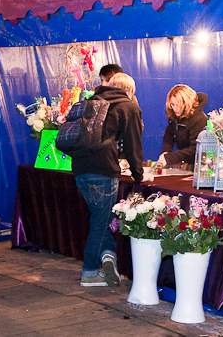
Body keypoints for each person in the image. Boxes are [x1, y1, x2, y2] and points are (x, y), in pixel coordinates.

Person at [71, 72, 149, 287]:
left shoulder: (91, 101)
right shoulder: (128, 107)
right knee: (100, 221)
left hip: (79, 169)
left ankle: (108, 256)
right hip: (103, 171)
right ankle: (89, 272)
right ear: (130, 90)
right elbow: (133, 145)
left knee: (100, 217)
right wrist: (138, 174)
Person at [156, 84, 208, 171]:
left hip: (197, 167)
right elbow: (169, 136)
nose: (175, 108)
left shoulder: (200, 120)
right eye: (172, 104)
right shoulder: (175, 116)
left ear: (187, 103)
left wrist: (170, 158)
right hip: (184, 163)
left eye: (178, 105)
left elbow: (195, 149)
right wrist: (165, 152)